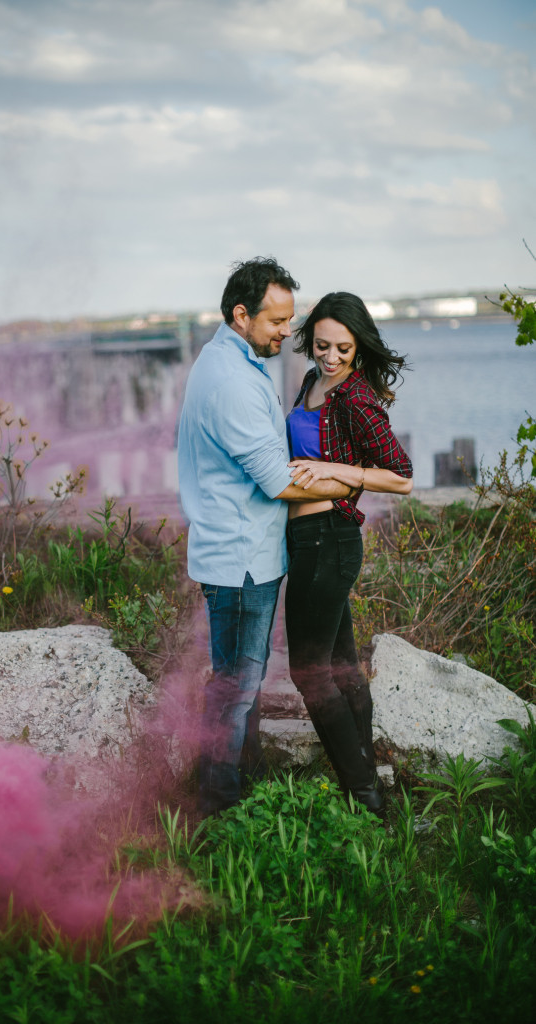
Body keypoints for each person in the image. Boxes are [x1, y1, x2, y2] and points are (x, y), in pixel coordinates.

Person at [177, 258, 351, 816]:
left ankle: (234, 786)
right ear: (241, 314)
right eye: (277, 321)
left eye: (290, 318)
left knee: (235, 683)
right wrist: (354, 481)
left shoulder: (232, 360)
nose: (287, 332)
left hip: (237, 554)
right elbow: (277, 482)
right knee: (238, 687)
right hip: (242, 560)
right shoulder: (230, 381)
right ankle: (219, 804)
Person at [285, 291, 413, 816]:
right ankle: (371, 779)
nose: (330, 358)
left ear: (358, 349)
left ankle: (364, 800)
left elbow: (401, 478)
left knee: (307, 671)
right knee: (339, 666)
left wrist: (345, 473)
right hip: (304, 541)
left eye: (341, 349)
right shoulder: (312, 382)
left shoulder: (358, 399)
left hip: (331, 540)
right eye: (321, 346)